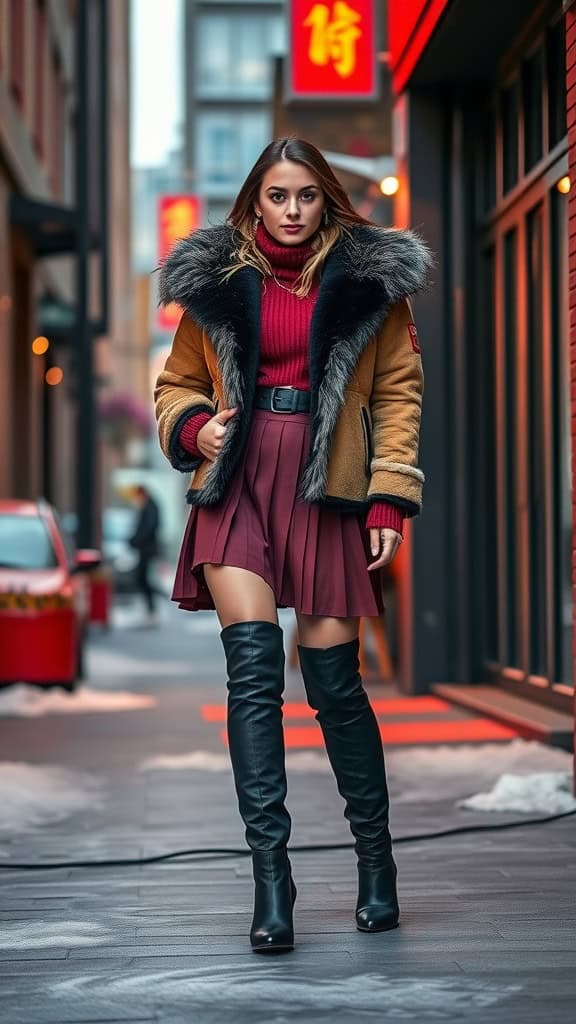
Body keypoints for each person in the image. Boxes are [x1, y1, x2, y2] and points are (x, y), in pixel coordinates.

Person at [155, 138, 431, 954]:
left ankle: (376, 868)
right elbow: (177, 385)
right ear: (254, 202)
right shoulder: (212, 283)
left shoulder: (371, 283)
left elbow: (398, 392)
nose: (293, 210)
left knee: (336, 687)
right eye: (278, 196)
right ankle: (271, 882)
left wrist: (388, 500)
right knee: (251, 674)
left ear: (326, 201)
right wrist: (197, 429)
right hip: (239, 477)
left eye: (307, 195)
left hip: (328, 481)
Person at [129, 485, 161, 623]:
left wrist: (136, 540)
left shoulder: (150, 507)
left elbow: (148, 527)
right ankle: (151, 607)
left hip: (147, 549)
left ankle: (152, 607)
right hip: (144, 548)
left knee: (143, 578)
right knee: (142, 578)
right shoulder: (148, 506)